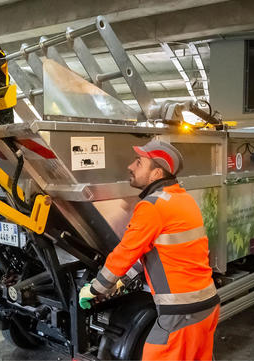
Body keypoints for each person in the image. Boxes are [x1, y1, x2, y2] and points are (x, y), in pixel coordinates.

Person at [78, 139, 220, 360]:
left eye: (139, 162)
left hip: (180, 315)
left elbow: (125, 253)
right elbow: (151, 254)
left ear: (156, 173)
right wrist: (118, 283)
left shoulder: (152, 206)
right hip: (205, 306)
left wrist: (95, 289)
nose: (130, 167)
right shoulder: (183, 200)